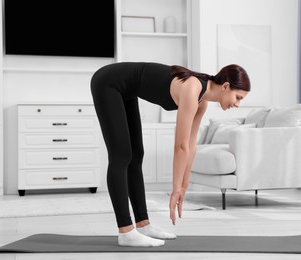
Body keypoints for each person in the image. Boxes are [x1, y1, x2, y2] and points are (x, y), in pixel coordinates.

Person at [90, 62, 250, 247]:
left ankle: (143, 225)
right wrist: (175, 189)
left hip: (126, 89)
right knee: (121, 155)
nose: (237, 104)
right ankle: (125, 232)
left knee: (136, 155)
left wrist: (183, 186)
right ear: (226, 86)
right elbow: (180, 146)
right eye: (238, 97)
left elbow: (191, 145)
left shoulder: (202, 100)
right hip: (108, 82)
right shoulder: (193, 88)